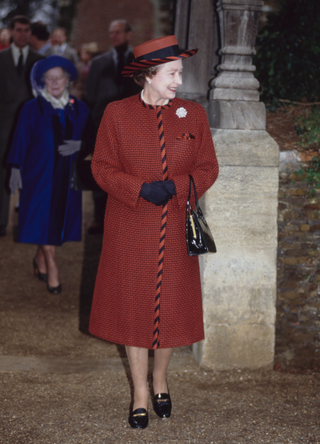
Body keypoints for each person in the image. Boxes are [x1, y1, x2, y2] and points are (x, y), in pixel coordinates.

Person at [89, 35, 219, 429]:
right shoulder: (116, 114)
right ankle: (140, 394)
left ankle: (161, 380)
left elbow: (208, 167)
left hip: (177, 226)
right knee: (134, 310)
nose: (179, 80)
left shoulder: (193, 114)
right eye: (173, 73)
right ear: (148, 75)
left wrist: (178, 187)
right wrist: (139, 189)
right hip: (131, 225)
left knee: (172, 309)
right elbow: (101, 167)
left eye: (180, 73)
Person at [7, 55, 93, 293]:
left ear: (68, 80)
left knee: (58, 219)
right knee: (41, 216)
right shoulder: (31, 109)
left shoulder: (80, 108)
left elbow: (93, 138)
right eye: (49, 78)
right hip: (39, 174)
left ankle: (41, 257)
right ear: (42, 81)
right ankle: (52, 266)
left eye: (59, 78)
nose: (54, 83)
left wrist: (80, 146)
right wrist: (15, 168)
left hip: (67, 176)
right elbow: (20, 139)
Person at [85, 19, 140, 234]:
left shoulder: (139, 61)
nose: (114, 36)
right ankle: (99, 218)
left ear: (128, 35)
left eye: (118, 32)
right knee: (102, 170)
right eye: (112, 33)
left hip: (131, 127)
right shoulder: (99, 63)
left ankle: (124, 217)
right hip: (102, 125)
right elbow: (90, 95)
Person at [0, 15, 43, 237]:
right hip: (3, 128)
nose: (23, 33)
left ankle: (27, 223)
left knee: (30, 176)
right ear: (12, 31)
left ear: (30, 33)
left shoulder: (40, 60)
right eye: (18, 29)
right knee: (1, 177)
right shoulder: (1, 58)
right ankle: (0, 223)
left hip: (31, 130)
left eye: (27, 30)